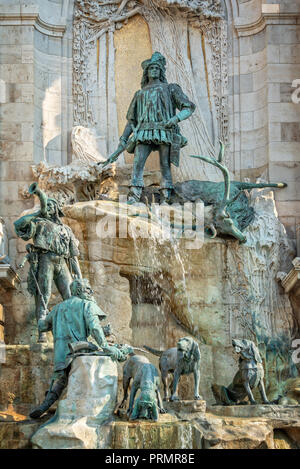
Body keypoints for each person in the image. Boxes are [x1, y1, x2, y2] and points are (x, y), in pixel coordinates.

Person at [29, 278, 130, 419]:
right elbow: (94, 328)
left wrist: (42, 315)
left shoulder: (58, 308)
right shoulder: (87, 304)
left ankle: (45, 405)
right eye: (88, 289)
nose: (91, 291)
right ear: (79, 290)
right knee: (114, 353)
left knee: (61, 379)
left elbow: (42, 326)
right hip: (79, 351)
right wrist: (106, 346)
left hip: (62, 356)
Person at [117, 51, 195, 203]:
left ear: (161, 71)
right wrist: (124, 137)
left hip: (164, 130)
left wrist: (175, 119)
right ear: (146, 72)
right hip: (144, 131)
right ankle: (134, 194)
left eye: (157, 68)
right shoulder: (139, 94)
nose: (154, 71)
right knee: (138, 162)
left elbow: (189, 107)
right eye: (151, 68)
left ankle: (166, 194)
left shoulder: (170, 88)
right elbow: (131, 119)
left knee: (164, 164)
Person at [14, 184, 82, 342]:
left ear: (57, 209)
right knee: (43, 296)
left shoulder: (66, 229)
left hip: (61, 262)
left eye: (52, 204)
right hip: (45, 259)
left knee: (70, 296)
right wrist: (38, 213)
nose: (49, 206)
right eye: (47, 204)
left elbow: (73, 256)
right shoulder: (38, 223)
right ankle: (42, 333)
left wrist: (78, 276)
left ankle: (74, 332)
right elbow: (18, 225)